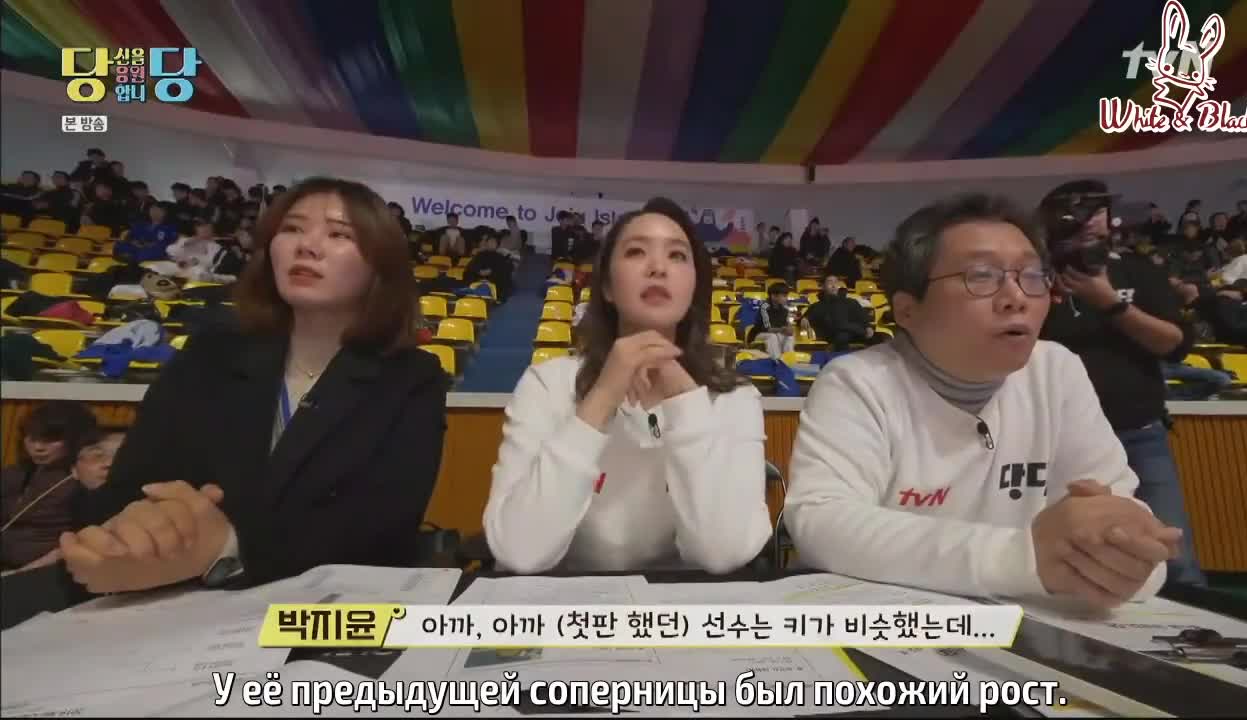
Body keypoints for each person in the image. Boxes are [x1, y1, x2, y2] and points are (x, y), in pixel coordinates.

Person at [786, 193, 1180, 609]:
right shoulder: (859, 381)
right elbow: (822, 523)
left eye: (1033, 275)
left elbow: (1125, 524)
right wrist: (1023, 557)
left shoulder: (1056, 370)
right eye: (981, 276)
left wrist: (1124, 555)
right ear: (907, 310)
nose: (1016, 297)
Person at [60, 177, 450, 593]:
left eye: (339, 234)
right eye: (292, 228)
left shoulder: (411, 378)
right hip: (171, 597)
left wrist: (227, 548)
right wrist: (129, 536)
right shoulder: (210, 352)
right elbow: (130, 488)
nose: (307, 246)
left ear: (380, 267)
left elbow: (381, 535)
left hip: (320, 610)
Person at [484, 197, 771, 574]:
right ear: (606, 286)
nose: (658, 268)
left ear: (694, 286)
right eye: (636, 252)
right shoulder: (548, 384)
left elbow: (723, 555)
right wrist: (602, 396)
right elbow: (519, 552)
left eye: (677, 256)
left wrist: (686, 400)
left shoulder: (735, 399)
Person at [1038, 179, 1205, 588]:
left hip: (1138, 432)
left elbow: (1174, 344)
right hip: (1051, 439)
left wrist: (1110, 303)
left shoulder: (1137, 270)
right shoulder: (1033, 276)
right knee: (1057, 553)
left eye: (1096, 210)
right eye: (1075, 211)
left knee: (1172, 558)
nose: (1088, 221)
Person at [1, 402, 98, 571]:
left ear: (76, 440)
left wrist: (19, 575)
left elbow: (83, 541)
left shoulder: (84, 481)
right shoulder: (16, 473)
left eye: (51, 440)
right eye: (32, 438)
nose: (38, 447)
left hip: (44, 572)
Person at [801, 274, 877, 353]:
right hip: (836, 336)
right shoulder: (818, 306)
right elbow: (806, 317)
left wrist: (868, 327)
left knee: (877, 337)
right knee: (842, 337)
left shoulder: (851, 302)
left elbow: (862, 317)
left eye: (835, 282)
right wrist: (804, 319)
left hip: (856, 333)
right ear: (823, 286)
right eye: (830, 282)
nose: (833, 285)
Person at [753, 283, 796, 360]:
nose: (786, 298)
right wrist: (781, 330)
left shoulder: (785, 309)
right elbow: (767, 329)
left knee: (789, 337)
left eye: (786, 296)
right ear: (773, 296)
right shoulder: (764, 307)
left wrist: (789, 330)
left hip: (778, 333)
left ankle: (788, 361)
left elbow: (787, 325)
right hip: (760, 334)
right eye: (784, 296)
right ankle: (776, 361)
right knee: (772, 336)